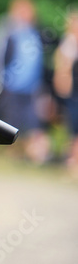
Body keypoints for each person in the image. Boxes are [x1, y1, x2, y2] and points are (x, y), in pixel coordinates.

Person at [0, 0, 51, 163]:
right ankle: (12, 154)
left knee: (32, 123)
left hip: (32, 88)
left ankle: (28, 155)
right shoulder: (5, 30)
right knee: (11, 123)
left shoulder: (35, 33)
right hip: (11, 86)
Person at [54, 10, 78, 172]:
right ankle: (73, 160)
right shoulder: (69, 43)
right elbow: (63, 69)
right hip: (73, 92)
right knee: (73, 127)